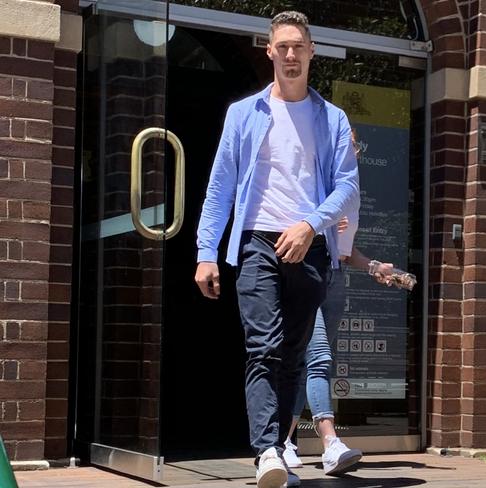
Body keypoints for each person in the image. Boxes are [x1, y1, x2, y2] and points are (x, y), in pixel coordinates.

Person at [194, 10, 360, 488]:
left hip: (308, 246)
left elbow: (348, 187)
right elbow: (220, 187)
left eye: (298, 47)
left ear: (311, 53)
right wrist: (207, 251)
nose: (290, 55)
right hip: (256, 242)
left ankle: (282, 446)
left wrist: (310, 226)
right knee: (262, 347)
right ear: (269, 52)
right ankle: (267, 450)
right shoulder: (244, 114)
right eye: (282, 46)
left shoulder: (332, 118)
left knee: (294, 354)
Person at [281, 141, 394, 477]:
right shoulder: (312, 183)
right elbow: (289, 225)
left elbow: (345, 251)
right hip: (308, 273)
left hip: (335, 277)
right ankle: (330, 441)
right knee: (319, 358)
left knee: (305, 364)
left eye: (355, 147)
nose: (352, 152)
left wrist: (374, 266)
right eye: (346, 146)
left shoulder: (349, 192)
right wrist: (319, 222)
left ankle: (282, 441)